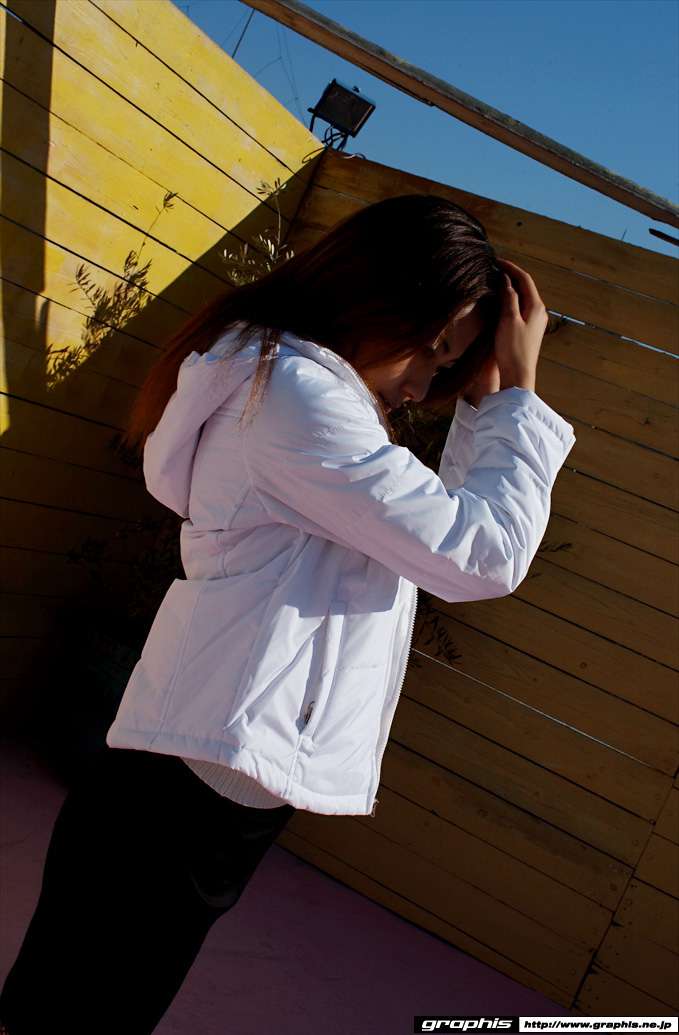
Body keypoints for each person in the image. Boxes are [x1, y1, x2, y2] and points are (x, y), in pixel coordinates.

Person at [0, 194, 576, 1033]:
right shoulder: (296, 400)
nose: (424, 383)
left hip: (199, 769)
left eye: (446, 363)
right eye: (430, 348)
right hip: (194, 785)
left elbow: (430, 536)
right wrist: (516, 394)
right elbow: (479, 554)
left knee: (62, 1001)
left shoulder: (286, 386)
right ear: (376, 297)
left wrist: (484, 407)